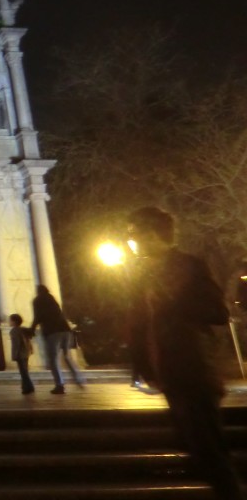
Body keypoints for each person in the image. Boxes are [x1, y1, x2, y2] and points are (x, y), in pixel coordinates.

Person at [127, 206, 243, 499]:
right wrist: (143, 364)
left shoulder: (189, 266)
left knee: (209, 451)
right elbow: (141, 322)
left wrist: (172, 300)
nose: (131, 241)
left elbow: (218, 312)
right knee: (199, 449)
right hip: (171, 374)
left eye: (134, 234)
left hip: (195, 371)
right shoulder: (144, 273)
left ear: (152, 234)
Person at [30, 284, 85, 394]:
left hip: (52, 332)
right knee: (67, 357)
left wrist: (32, 329)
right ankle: (79, 379)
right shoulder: (52, 299)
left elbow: (38, 316)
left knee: (53, 359)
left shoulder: (37, 300)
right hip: (65, 330)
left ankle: (59, 384)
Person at [8, 313, 35, 395]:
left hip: (20, 353)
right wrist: (31, 350)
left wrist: (14, 355)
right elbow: (29, 341)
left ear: (14, 321)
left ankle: (28, 387)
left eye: (10, 320)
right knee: (25, 370)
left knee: (23, 372)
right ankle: (26, 387)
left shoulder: (14, 331)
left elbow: (16, 344)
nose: (9, 322)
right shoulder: (24, 330)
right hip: (26, 352)